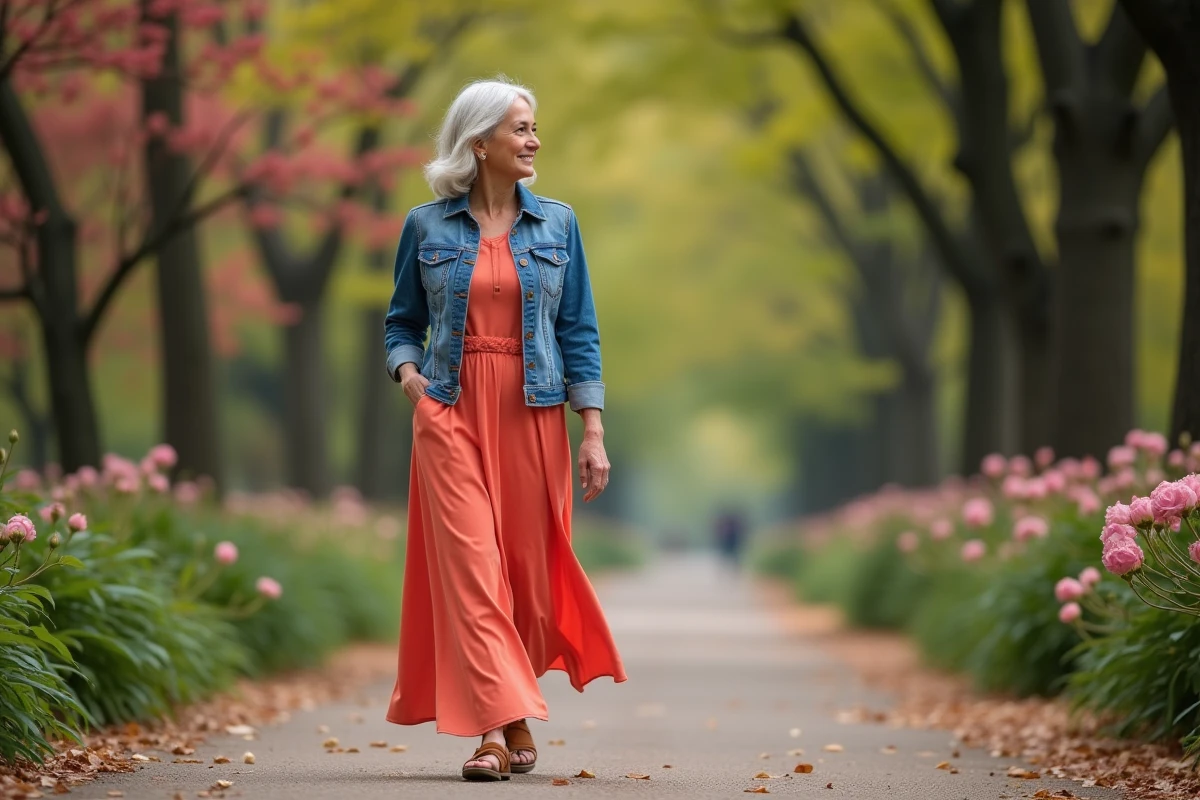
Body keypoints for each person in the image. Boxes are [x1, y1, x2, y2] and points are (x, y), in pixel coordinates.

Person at [382, 77, 627, 782]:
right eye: (520, 129)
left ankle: (515, 708)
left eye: (534, 128)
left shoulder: (559, 223)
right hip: (451, 410)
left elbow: (579, 328)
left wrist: (594, 429)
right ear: (479, 141)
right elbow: (401, 322)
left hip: (533, 410)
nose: (533, 141)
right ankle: (492, 733)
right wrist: (408, 376)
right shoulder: (425, 227)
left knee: (524, 574)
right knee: (472, 571)